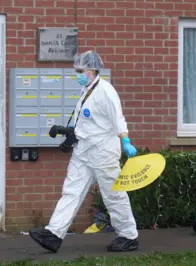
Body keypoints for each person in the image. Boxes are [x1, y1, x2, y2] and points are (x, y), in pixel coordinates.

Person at [28, 50, 139, 252]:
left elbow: (118, 119)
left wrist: (126, 141)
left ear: (93, 69)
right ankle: (54, 233)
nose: (77, 74)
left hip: (103, 153)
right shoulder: (86, 89)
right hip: (84, 150)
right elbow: (88, 121)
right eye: (76, 70)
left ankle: (129, 235)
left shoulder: (106, 91)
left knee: (113, 195)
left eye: (80, 70)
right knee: (71, 191)